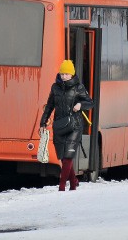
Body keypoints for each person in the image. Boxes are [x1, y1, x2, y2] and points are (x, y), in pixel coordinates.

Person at [40, 60, 94, 191]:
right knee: (63, 157)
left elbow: (90, 102)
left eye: (67, 74)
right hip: (59, 125)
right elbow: (49, 106)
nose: (64, 76)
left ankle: (62, 186)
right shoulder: (55, 87)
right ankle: (74, 181)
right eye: (62, 73)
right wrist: (43, 122)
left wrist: (80, 105)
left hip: (74, 126)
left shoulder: (78, 87)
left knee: (68, 156)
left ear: (72, 74)